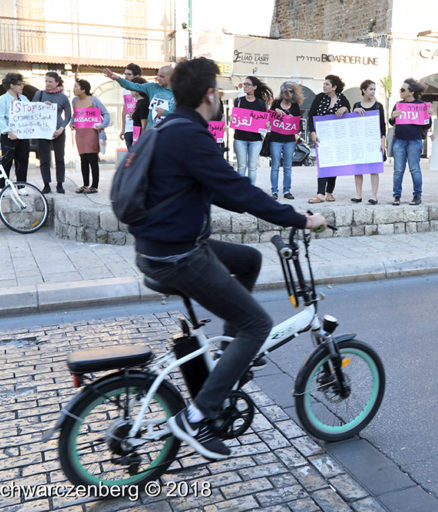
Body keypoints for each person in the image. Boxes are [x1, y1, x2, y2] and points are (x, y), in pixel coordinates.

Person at [133, 56, 326, 460]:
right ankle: (197, 416)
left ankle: (225, 355)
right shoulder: (191, 135)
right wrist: (299, 219)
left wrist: (245, 198)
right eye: (218, 90)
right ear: (209, 95)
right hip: (178, 255)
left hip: (160, 247)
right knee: (257, 324)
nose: (221, 96)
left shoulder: (173, 127)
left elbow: (222, 190)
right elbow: (239, 192)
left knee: (248, 260)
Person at [307, 75, 351, 203]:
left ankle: (329, 193)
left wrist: (345, 108)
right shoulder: (319, 97)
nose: (324, 86)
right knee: (323, 164)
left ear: (334, 87)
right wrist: (312, 132)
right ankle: (320, 194)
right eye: (324, 84)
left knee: (333, 164)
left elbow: (350, 114)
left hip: (337, 137)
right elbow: (311, 115)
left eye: (327, 84)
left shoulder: (342, 98)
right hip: (321, 136)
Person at [389, 78, 430, 206]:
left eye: (403, 90)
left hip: (414, 141)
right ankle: (396, 196)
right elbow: (392, 122)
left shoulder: (421, 105)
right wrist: (392, 117)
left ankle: (417, 195)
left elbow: (427, 125)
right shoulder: (398, 104)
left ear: (411, 92)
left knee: (414, 169)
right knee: (398, 170)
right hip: (399, 140)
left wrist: (428, 115)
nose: (400, 92)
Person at [32, 71, 71, 194]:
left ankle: (60, 184)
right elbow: (31, 110)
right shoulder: (39, 94)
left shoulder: (63, 97)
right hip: (43, 131)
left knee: (59, 158)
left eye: (50, 81)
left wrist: (62, 128)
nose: (47, 84)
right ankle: (46, 184)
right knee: (44, 159)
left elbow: (68, 115)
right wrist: (42, 105)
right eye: (46, 81)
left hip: (58, 131)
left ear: (57, 83)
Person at [103, 66, 175, 129]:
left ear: (171, 77)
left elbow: (182, 115)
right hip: (152, 132)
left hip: (168, 133)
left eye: (161, 76)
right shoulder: (152, 87)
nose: (158, 78)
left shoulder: (179, 93)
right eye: (158, 75)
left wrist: (165, 113)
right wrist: (118, 79)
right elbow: (133, 86)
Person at [71, 79, 110, 194]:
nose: (74, 89)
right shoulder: (74, 101)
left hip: (92, 133)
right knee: (83, 159)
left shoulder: (94, 100)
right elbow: (75, 114)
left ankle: (94, 185)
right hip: (80, 134)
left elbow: (106, 113)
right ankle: (85, 184)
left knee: (92, 159)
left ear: (83, 89)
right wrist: (72, 123)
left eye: (76, 87)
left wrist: (102, 126)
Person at [233, 76, 272, 185]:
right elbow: (235, 117)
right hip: (240, 139)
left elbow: (264, 121)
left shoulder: (260, 103)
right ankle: (240, 192)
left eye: (247, 84)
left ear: (254, 87)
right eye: (244, 84)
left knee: (252, 167)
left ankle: (251, 190)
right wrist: (233, 118)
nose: (245, 86)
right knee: (241, 166)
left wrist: (267, 124)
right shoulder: (238, 101)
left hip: (255, 140)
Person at [0, 72, 30, 189]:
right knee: (6, 162)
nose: (22, 86)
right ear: (11, 85)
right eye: (19, 84)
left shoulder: (24, 99)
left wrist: (45, 106)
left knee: (22, 161)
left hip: (23, 135)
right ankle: (1, 187)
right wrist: (9, 132)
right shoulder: (2, 100)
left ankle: (21, 187)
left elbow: (33, 112)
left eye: (22, 84)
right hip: (9, 136)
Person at [352, 79, 385, 205]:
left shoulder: (378, 106)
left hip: (373, 141)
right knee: (358, 169)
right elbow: (351, 123)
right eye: (371, 89)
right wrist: (354, 112)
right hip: (359, 141)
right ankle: (358, 195)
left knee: (374, 169)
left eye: (374, 89)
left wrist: (383, 142)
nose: (373, 92)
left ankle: (374, 196)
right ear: (363, 90)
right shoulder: (356, 105)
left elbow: (382, 126)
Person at [270, 81, 302, 200]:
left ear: (294, 93)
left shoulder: (295, 106)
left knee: (288, 166)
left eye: (291, 91)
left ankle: (287, 190)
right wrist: (275, 112)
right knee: (275, 166)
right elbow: (269, 119)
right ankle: (274, 191)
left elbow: (298, 126)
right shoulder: (276, 103)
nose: (288, 93)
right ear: (282, 92)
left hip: (289, 139)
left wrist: (292, 119)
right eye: (286, 91)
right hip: (276, 138)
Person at [120, 63, 142, 151]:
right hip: (128, 130)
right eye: (125, 74)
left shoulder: (144, 89)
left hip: (139, 128)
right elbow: (124, 110)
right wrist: (123, 129)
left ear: (137, 76)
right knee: (131, 157)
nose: (126, 77)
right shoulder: (125, 90)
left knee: (138, 157)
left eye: (129, 74)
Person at [129, 76, 149, 145]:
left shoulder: (143, 103)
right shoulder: (139, 102)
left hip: (140, 140)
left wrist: (140, 143)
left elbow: (144, 125)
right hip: (136, 136)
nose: (129, 89)